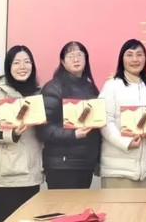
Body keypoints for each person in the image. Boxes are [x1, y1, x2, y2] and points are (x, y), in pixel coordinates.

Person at [0, 45, 43, 222]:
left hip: (31, 169)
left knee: (29, 218)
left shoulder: (39, 93)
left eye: (27, 62)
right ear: (8, 67)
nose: (22, 66)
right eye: (16, 63)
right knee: (3, 217)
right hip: (6, 171)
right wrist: (12, 133)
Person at [39, 41, 101, 189]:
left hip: (85, 163)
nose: (76, 59)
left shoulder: (91, 88)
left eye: (80, 55)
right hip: (61, 164)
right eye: (71, 55)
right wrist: (73, 134)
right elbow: (43, 128)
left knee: (81, 204)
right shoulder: (53, 87)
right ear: (63, 62)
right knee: (62, 205)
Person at [99, 39, 146, 188]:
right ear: (122, 59)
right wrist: (125, 143)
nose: (135, 59)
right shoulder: (112, 86)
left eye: (139, 54)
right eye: (129, 54)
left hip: (145, 170)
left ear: (145, 58)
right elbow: (104, 120)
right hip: (117, 170)